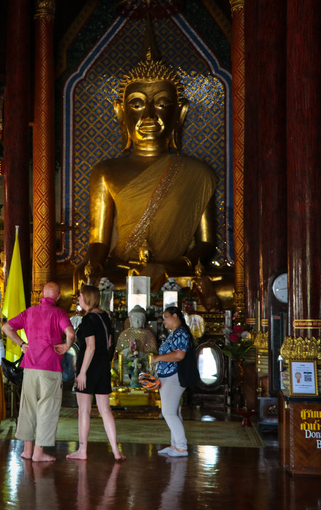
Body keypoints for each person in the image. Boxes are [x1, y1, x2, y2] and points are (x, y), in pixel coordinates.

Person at [77, 18, 217, 288]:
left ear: (180, 113)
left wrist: (167, 267)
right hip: (122, 269)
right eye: (138, 104)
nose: (150, 115)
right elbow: (99, 241)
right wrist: (92, 265)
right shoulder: (106, 171)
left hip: (175, 272)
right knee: (82, 282)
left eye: (162, 103)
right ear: (121, 112)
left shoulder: (198, 174)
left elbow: (207, 244)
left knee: (219, 285)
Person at [2, 281, 75, 462]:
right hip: (50, 367)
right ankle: (39, 451)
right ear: (57, 297)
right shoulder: (58, 312)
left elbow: (6, 327)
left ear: (42, 294)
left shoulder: (30, 311)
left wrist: (22, 344)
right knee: (47, 408)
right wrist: (67, 346)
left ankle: (27, 450)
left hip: (30, 366)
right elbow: (71, 333)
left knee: (28, 407)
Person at [65, 285, 124, 461]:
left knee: (84, 410)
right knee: (105, 410)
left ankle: (82, 450)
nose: (78, 300)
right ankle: (116, 450)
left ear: (88, 298)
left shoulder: (88, 320)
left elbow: (90, 347)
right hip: (103, 366)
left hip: (89, 367)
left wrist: (82, 373)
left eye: (81, 297)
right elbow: (108, 344)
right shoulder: (106, 317)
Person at [151, 306, 193, 457]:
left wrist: (157, 358)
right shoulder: (174, 333)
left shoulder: (180, 332)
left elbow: (179, 355)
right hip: (167, 376)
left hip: (173, 376)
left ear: (175, 316)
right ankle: (175, 445)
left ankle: (181, 447)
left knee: (168, 412)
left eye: (166, 317)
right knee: (174, 411)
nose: (164, 322)